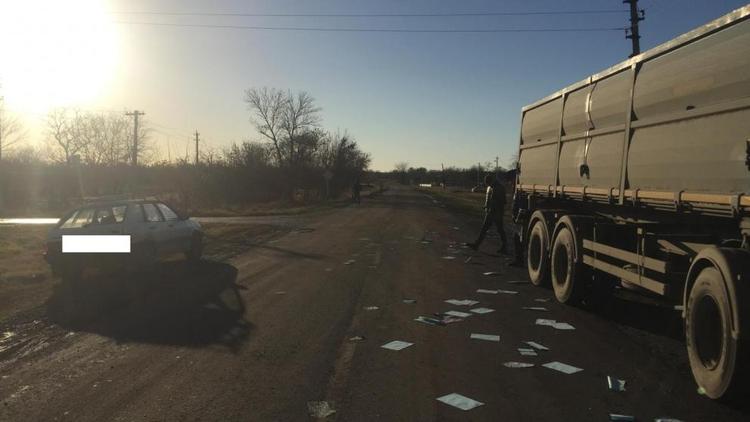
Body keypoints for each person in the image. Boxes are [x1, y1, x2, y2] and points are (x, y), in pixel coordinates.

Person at [466, 173, 508, 254]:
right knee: (486, 229)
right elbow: (489, 200)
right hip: (491, 212)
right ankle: (477, 244)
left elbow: (502, 201)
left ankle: (504, 247)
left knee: (499, 230)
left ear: (490, 181)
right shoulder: (490, 187)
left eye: (487, 182)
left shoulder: (499, 187)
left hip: (496, 212)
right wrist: (486, 206)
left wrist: (494, 209)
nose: (486, 184)